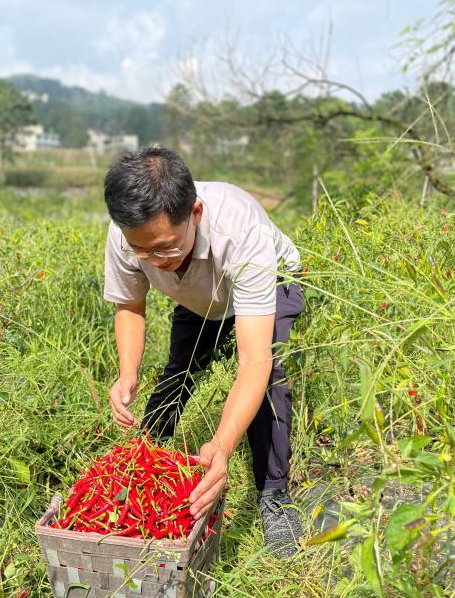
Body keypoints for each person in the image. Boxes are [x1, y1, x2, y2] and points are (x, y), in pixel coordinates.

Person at [102, 145, 305, 558]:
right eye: (142, 251)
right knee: (180, 368)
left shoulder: (241, 231)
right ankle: (146, 457)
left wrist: (222, 444)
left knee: (270, 378)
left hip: (271, 283)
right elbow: (130, 305)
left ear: (195, 214)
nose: (152, 262)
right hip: (202, 293)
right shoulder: (131, 233)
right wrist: (127, 373)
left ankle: (274, 495)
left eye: (164, 247)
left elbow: (253, 361)